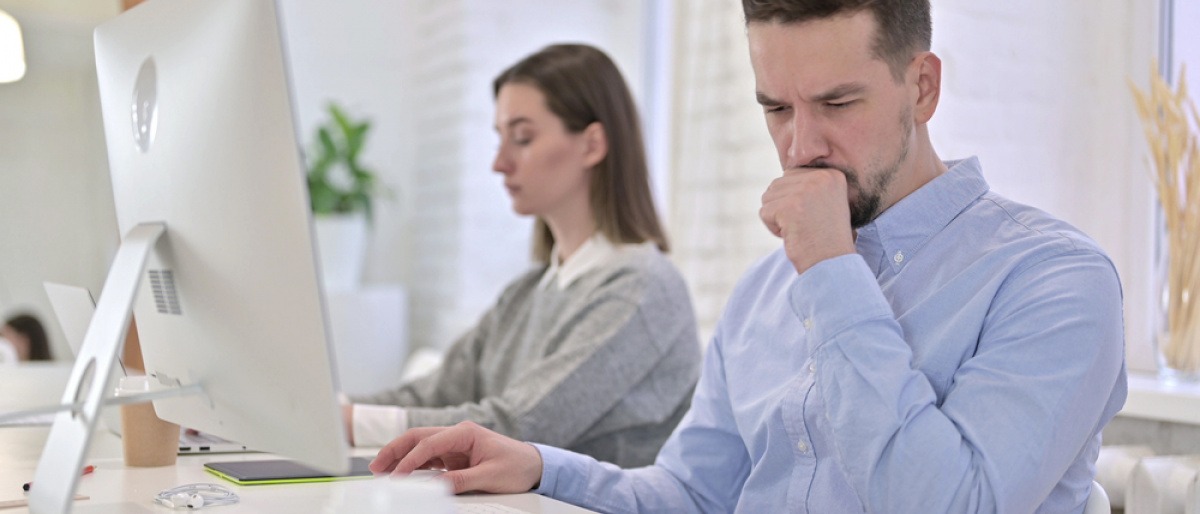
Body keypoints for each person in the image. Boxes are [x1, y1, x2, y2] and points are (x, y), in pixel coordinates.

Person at [366, 1, 1129, 512]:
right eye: (775, 108)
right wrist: (540, 466)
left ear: (921, 87)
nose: (800, 146)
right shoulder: (767, 289)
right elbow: (693, 496)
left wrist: (834, 271)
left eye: (837, 104)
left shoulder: (1053, 280)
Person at [343, 44, 702, 469]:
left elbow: (517, 425)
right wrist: (331, 410)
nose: (499, 163)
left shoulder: (642, 289)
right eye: (500, 139)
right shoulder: (527, 292)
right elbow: (430, 394)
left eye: (523, 138)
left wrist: (353, 423)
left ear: (592, 145)